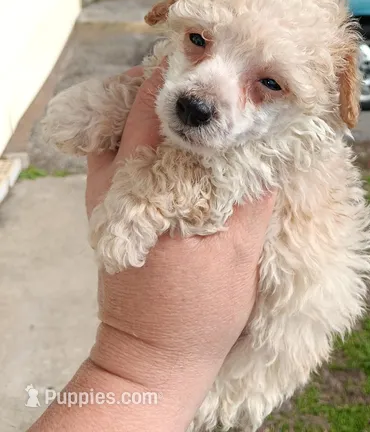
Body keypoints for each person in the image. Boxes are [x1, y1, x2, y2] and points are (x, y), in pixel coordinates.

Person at [29, 64, 275, 432]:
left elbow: (238, 171)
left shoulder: (296, 136)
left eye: (269, 84)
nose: (201, 97)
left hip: (246, 360)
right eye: (199, 40)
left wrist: (143, 355)